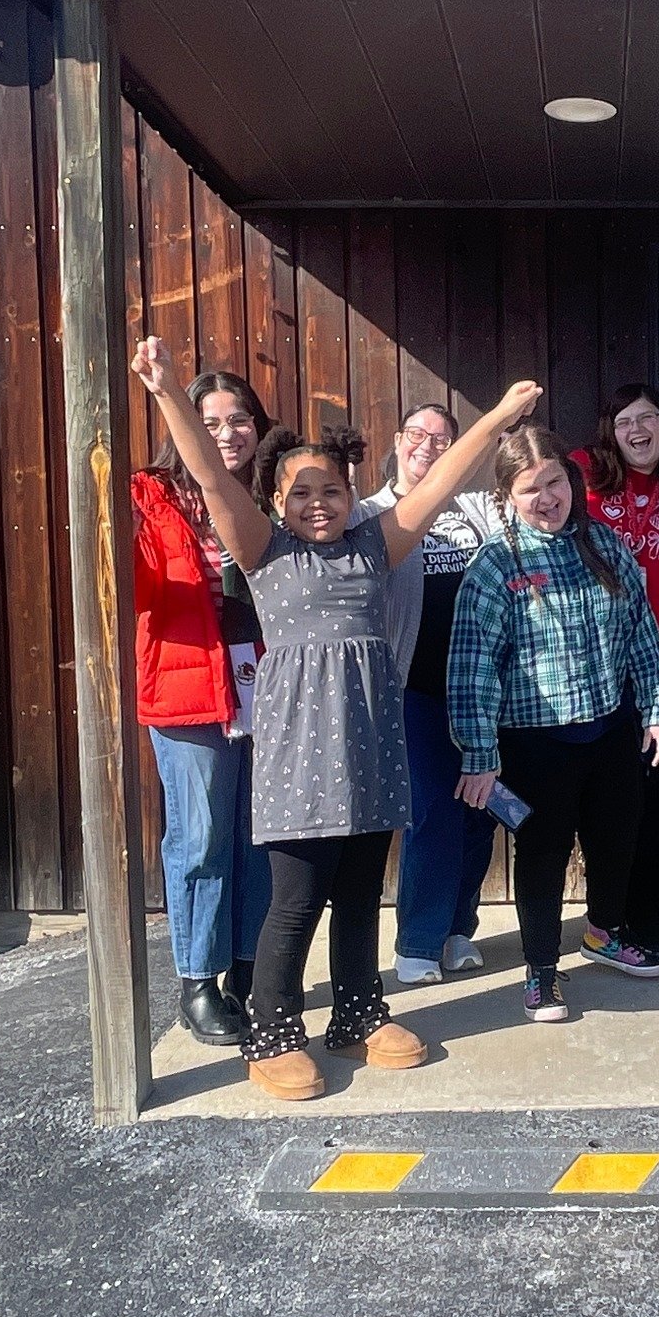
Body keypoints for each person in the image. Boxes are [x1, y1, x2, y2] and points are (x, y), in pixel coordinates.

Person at [132, 332, 541, 1102]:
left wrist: (494, 420)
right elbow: (211, 479)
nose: (318, 504)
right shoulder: (262, 550)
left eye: (331, 491)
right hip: (296, 755)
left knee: (359, 892)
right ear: (277, 503)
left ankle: (357, 1013)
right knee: (294, 899)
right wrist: (166, 392)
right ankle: (273, 1029)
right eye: (301, 493)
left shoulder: (373, 547)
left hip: (371, 745)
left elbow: (444, 480)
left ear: (353, 497)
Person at [448, 425, 659, 1025]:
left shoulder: (604, 543)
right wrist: (478, 752)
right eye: (530, 489)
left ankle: (602, 932)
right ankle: (541, 971)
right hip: (536, 741)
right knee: (544, 855)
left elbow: (642, 634)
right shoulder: (495, 566)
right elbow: (472, 668)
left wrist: (657, 709)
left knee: (616, 840)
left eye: (553, 482)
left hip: (609, 729)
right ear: (507, 496)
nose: (546, 497)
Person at [131, 369, 274, 1045]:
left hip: (268, 689)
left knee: (259, 835)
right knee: (201, 836)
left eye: (239, 418)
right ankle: (199, 982)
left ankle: (248, 966)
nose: (227, 433)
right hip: (190, 691)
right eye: (210, 421)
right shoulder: (148, 497)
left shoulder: (276, 492)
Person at [353, 404, 501, 986]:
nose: (428, 447)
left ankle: (457, 928)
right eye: (417, 435)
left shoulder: (476, 514)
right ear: (396, 440)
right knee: (433, 809)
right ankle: (418, 940)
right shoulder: (372, 514)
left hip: (483, 691)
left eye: (442, 440)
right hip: (413, 686)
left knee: (481, 811)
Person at [572, 384, 659, 951]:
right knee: (600, 795)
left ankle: (643, 913)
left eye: (649, 417)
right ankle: (603, 914)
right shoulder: (582, 474)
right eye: (625, 420)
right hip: (593, 663)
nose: (638, 429)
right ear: (610, 430)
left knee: (654, 799)